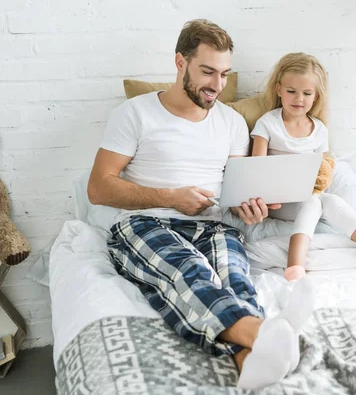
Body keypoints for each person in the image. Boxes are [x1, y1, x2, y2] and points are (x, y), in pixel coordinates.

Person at [87, 19, 313, 390]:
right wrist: (169, 197)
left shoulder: (232, 122)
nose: (217, 86)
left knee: (236, 281)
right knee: (189, 270)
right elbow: (98, 188)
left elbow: (239, 189)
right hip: (146, 223)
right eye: (207, 72)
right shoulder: (135, 113)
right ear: (180, 63)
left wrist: (249, 208)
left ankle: (249, 360)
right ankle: (266, 331)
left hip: (216, 224)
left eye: (224, 74)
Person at [251, 52, 356, 281]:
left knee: (330, 200)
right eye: (291, 91)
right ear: (278, 90)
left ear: (316, 96)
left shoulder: (319, 130)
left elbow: (324, 172)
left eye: (307, 93)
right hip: (278, 201)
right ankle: (294, 266)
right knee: (313, 201)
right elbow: (257, 169)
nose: (299, 99)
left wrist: (316, 183)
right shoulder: (268, 123)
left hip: (308, 197)